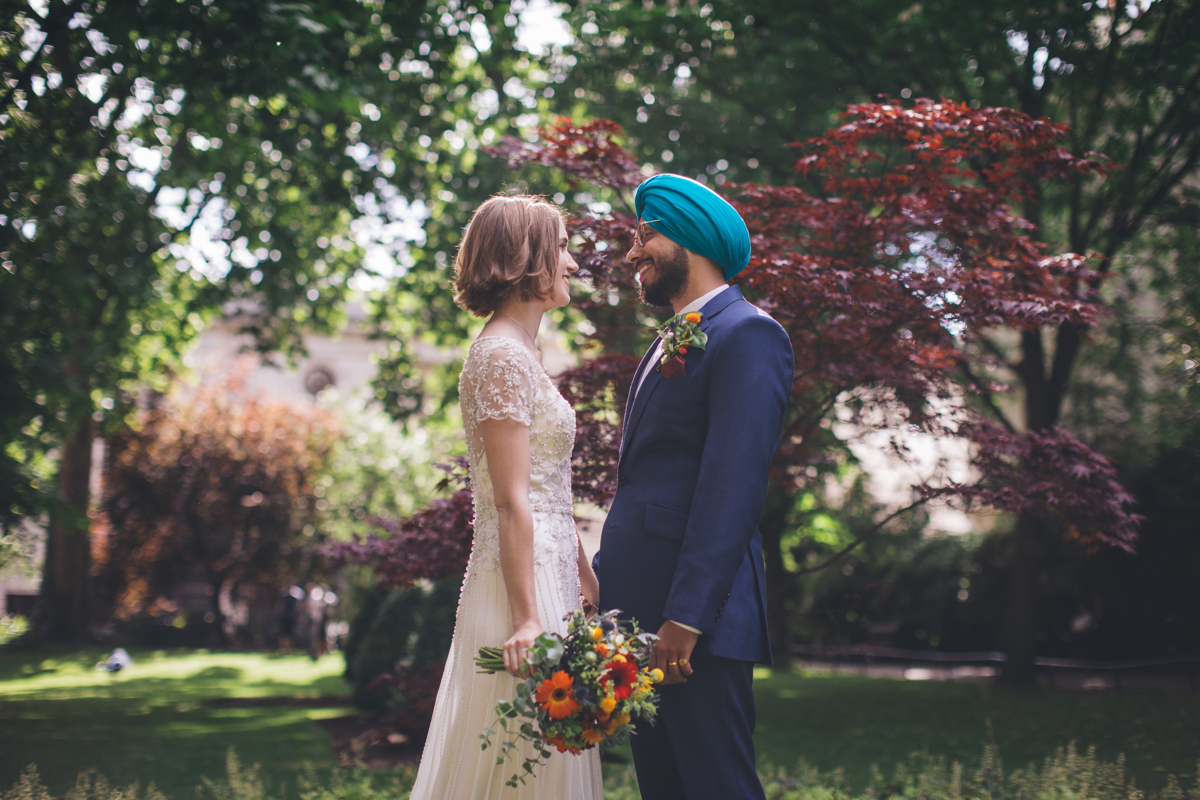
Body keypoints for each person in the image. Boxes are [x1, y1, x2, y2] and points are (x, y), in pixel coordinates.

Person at [594, 174, 794, 800]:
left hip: (692, 625)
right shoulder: (669, 337)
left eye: (645, 235)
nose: (632, 254)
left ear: (690, 239)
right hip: (642, 614)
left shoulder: (748, 333)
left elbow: (731, 486)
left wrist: (686, 616)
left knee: (717, 787)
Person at [408, 195, 603, 800]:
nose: (573, 263)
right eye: (563, 246)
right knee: (518, 757)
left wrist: (582, 570)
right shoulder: (498, 357)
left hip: (550, 572)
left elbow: (552, 485)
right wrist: (525, 618)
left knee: (544, 758)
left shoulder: (524, 354)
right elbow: (511, 498)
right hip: (519, 582)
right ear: (527, 258)